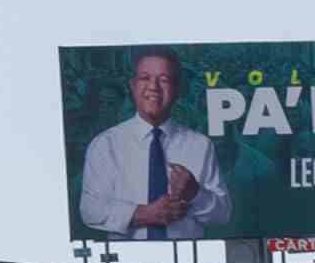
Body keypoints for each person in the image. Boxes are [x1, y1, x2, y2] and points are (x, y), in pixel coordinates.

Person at [77, 52, 225, 243]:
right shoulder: (105, 144)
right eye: (145, 78)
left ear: (177, 89)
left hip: (187, 259)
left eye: (164, 80)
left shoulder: (201, 145)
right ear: (133, 85)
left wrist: (195, 194)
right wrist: (144, 214)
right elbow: (89, 210)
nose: (153, 87)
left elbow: (222, 215)